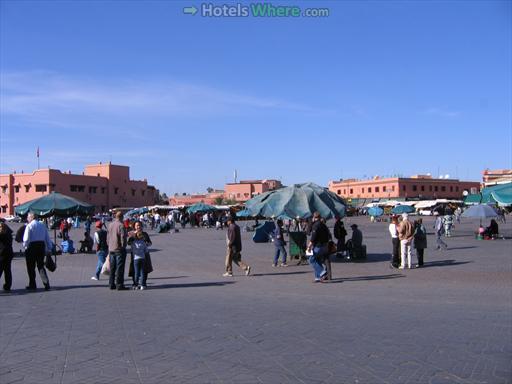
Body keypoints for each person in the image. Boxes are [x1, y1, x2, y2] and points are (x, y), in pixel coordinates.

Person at [23, 213, 53, 291]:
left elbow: (26, 239)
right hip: (41, 246)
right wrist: (49, 248)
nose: (27, 218)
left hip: (32, 247)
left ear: (31, 217)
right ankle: (46, 283)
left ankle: (32, 284)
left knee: (30, 267)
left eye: (28, 217)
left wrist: (25, 246)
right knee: (40, 265)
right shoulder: (42, 225)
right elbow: (47, 238)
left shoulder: (29, 226)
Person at [107, 211, 128, 290]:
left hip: (111, 249)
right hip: (119, 250)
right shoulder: (121, 225)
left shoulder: (110, 225)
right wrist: (124, 246)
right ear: (122, 217)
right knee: (119, 268)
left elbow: (108, 237)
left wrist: (109, 245)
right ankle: (119, 284)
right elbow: (123, 237)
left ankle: (111, 284)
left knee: (112, 267)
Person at [307, 212, 330, 282]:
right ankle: (318, 277)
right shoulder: (324, 225)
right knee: (317, 260)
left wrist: (309, 245)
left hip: (318, 246)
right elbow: (328, 235)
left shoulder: (316, 225)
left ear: (314, 217)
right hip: (325, 245)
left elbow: (312, 235)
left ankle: (322, 272)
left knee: (311, 259)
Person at [128, 222, 149, 290]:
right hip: (141, 256)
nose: (138, 227)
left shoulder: (145, 234)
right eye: (137, 225)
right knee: (137, 271)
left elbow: (149, 243)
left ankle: (139, 284)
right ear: (134, 226)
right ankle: (138, 283)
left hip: (137, 256)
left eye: (139, 225)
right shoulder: (132, 234)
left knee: (140, 271)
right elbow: (129, 242)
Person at [0, 222, 14, 292]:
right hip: (9, 253)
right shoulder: (9, 233)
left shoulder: (1, 234)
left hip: (2, 254)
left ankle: (7, 285)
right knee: (7, 270)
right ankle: (7, 286)